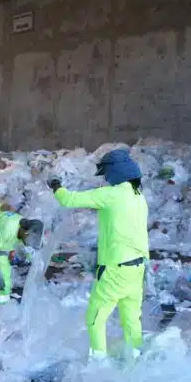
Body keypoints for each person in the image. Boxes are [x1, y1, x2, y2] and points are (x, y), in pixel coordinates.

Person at [49, 149, 149, 360]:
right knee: (131, 317)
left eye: (106, 174)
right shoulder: (138, 196)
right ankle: (137, 357)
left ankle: (98, 364)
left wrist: (56, 186)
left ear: (114, 172)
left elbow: (69, 200)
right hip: (137, 266)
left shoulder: (112, 194)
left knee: (95, 317)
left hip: (116, 267)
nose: (105, 178)